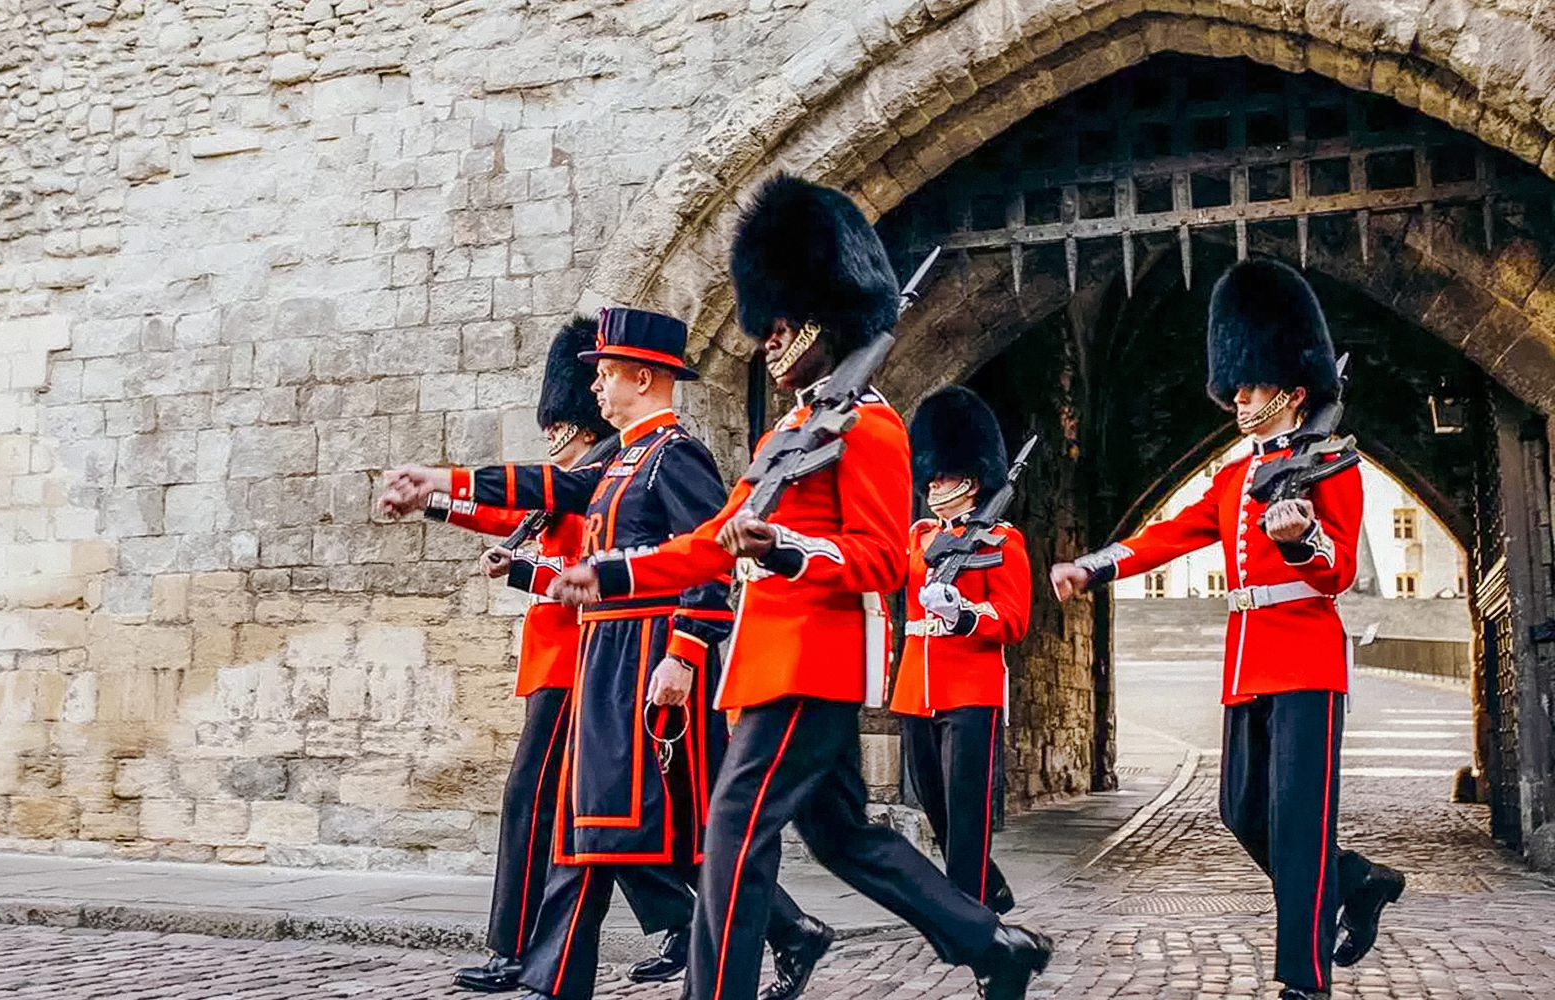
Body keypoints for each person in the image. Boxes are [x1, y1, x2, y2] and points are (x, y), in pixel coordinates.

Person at [548, 175, 1053, 1000]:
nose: (769, 342)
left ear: (823, 321)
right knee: (846, 836)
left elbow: (885, 562)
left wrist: (787, 550)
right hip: (766, 663)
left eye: (782, 327)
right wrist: (608, 571)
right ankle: (994, 945)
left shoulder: (873, 426)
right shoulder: (789, 429)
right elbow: (713, 543)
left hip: (812, 664)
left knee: (731, 836)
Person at [379, 306, 827, 1000]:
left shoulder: (675, 455)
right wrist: (440, 484)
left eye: (606, 374)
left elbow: (709, 563)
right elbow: (548, 488)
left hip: (650, 667)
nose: (594, 389)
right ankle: (560, 977)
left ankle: (572, 977)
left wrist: (682, 654)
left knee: (662, 831)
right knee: (595, 824)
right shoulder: (623, 458)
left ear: (642, 376)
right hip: (608, 660)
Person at [1048, 258, 1406, 1000]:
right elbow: (1168, 535)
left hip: (1307, 662)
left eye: (1251, 384)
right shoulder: (1233, 477)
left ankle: (1302, 981)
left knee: (1297, 826)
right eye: (1236, 384)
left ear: (1293, 389)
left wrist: (1300, 538)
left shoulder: (1333, 465)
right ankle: (1360, 881)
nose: (1238, 396)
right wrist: (1095, 564)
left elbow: (1336, 571)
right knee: (1241, 811)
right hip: (1246, 664)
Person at [421, 318, 705, 992]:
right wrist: (436, 501)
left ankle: (518, 948)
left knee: (546, 804)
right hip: (565, 662)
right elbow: (506, 512)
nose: (555, 441)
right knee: (596, 818)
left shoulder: (617, 472)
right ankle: (673, 924)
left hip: (589, 664)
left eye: (562, 429)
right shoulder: (590, 475)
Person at [890, 386, 1028, 916]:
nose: (934, 484)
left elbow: (1013, 619)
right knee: (937, 807)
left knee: (966, 809)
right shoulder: (918, 537)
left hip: (971, 687)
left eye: (944, 476)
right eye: (933, 475)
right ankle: (988, 885)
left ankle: (967, 911)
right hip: (916, 689)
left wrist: (964, 614)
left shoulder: (1001, 542)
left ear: (970, 482)